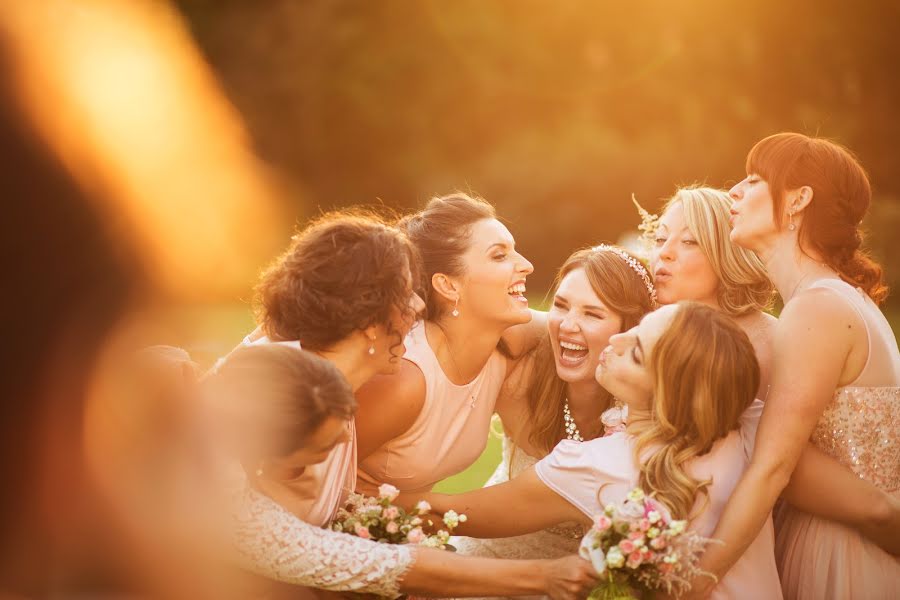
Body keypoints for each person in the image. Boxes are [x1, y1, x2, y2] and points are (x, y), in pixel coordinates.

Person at [405, 303, 783, 599]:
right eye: (635, 329)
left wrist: (368, 499)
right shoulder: (748, 427)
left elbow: (452, 515)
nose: (614, 341)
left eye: (635, 353)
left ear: (667, 396)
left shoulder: (597, 465)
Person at [210, 343, 600, 599]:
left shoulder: (231, 390)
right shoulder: (229, 508)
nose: (346, 450)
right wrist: (545, 577)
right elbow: (389, 566)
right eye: (322, 449)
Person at [687, 132, 900, 599]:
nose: (734, 193)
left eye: (753, 179)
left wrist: (691, 585)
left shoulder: (819, 308)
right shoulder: (831, 301)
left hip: (840, 553)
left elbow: (771, 470)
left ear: (799, 198)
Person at [453, 244, 656, 565]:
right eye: (561, 306)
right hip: (489, 566)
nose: (567, 325)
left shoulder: (647, 405)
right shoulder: (521, 379)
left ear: (630, 329)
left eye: (592, 313)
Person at [235, 210, 425, 525]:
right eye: (406, 296)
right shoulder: (283, 399)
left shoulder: (337, 388)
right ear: (369, 321)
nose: (418, 306)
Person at [355, 193, 535, 495]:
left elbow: (589, 324)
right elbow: (311, 481)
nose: (527, 265)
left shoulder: (509, 341)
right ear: (448, 285)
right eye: (499, 255)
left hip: (411, 528)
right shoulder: (403, 380)